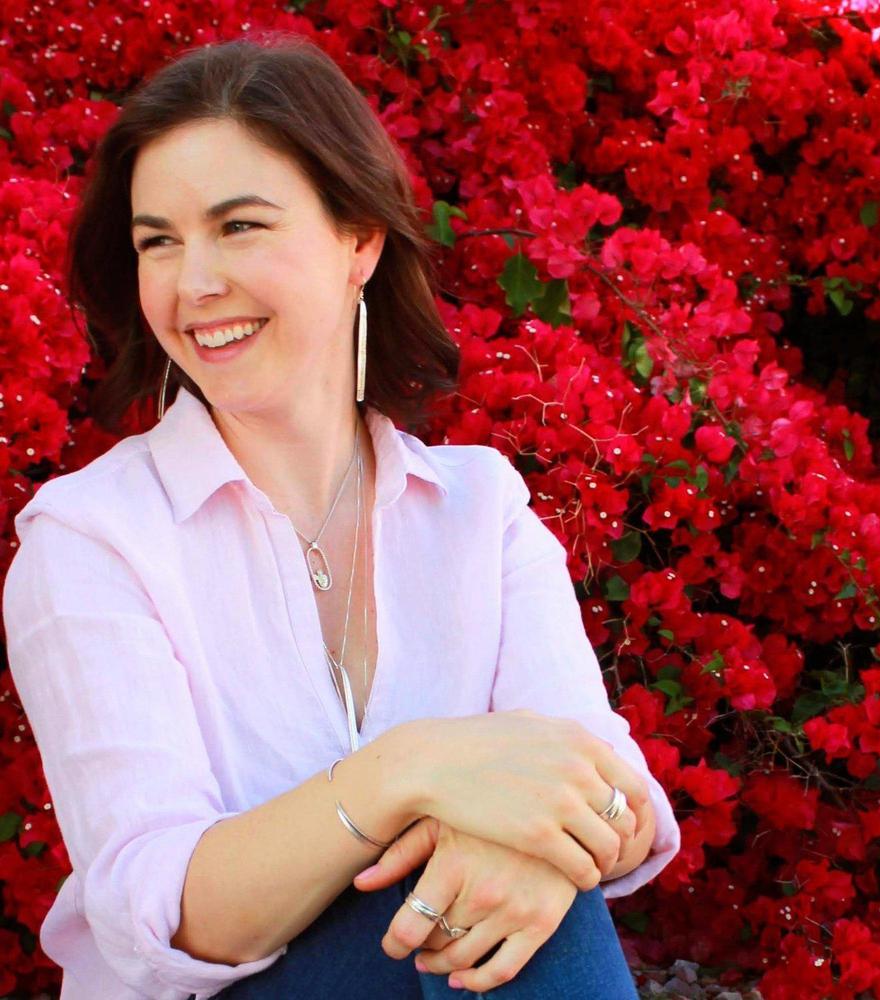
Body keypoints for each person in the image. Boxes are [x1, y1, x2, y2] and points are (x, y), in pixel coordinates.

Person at [1, 33, 680, 999]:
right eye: (159, 240)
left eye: (239, 227)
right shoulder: (93, 540)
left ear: (358, 240)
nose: (193, 284)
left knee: (524, 905)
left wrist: (530, 854)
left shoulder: (478, 510)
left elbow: (616, 792)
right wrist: (412, 771)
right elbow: (162, 912)